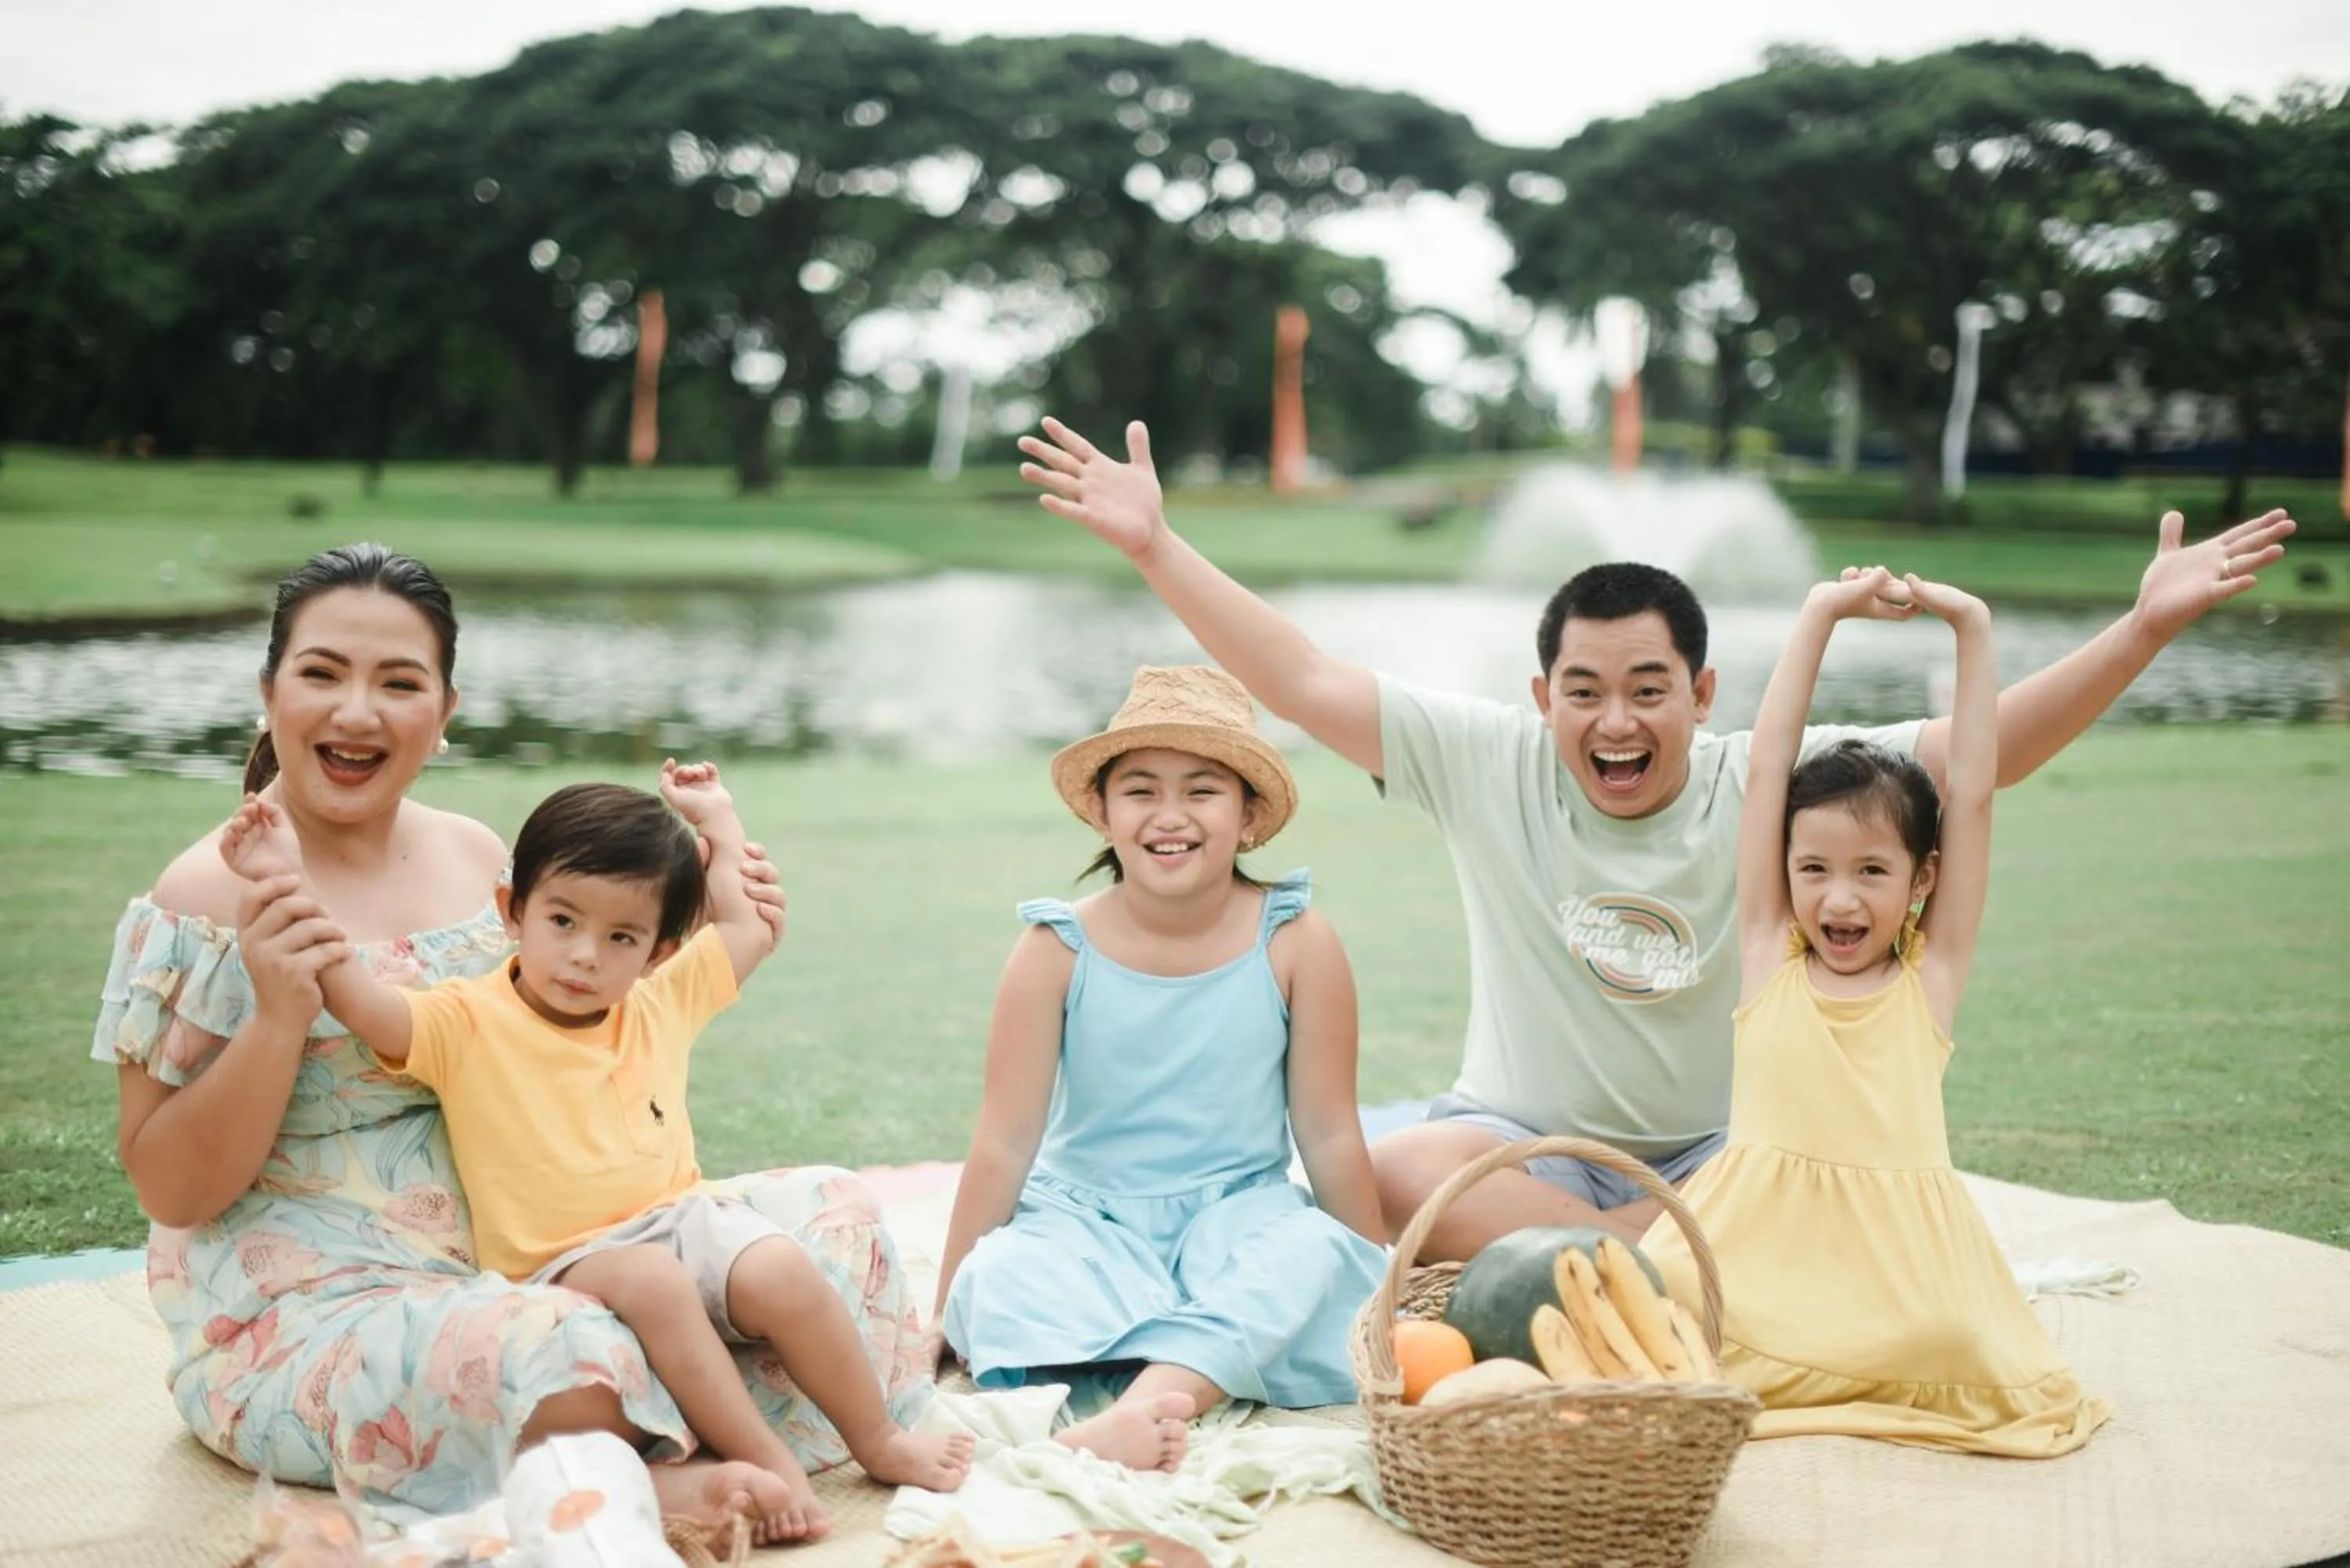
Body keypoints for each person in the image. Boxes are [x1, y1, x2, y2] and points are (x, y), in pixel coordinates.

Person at [1015, 416, 2296, 1261]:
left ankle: (1627, 1258)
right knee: (1396, 1167)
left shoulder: (1768, 774)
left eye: (1647, 688)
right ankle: (1641, 1259)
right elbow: (1298, 677)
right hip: (1512, 1139)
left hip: (1727, 1155)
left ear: (1702, 691)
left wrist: (2142, 630)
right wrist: (1156, 544)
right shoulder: (1487, 757)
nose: (1615, 718)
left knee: (1819, 1183)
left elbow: (1978, 756)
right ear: (1543, 699)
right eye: (1585, 689)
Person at [92, 544, 931, 1528]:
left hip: (553, 1245)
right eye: (321, 673)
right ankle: (647, 1479)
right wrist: (280, 1019)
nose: (356, 712)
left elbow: (564, 1021)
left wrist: (684, 925)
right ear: (269, 689)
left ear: (444, 714)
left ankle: (630, 1442)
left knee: (832, 1221)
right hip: (335, 1304)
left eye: (399, 683)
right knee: (557, 1348)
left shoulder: (477, 855)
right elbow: (169, 1188)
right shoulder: (205, 893)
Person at [215, 762, 974, 1542]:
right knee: (652, 1279)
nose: (585, 955)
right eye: (564, 922)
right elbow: (356, 995)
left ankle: (878, 1438)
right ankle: (767, 1457)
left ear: (657, 950)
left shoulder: (657, 1001)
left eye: (621, 937)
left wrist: (718, 818)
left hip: (679, 1213)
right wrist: (283, 873)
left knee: (781, 1265)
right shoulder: (463, 1020)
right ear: (513, 911)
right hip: (560, 1261)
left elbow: (746, 926)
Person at [1637, 567, 2110, 1453]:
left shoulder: (1930, 975)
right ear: (1785, 872)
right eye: (1814, 869)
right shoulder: (1769, 948)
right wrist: (1819, 613)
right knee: (1648, 1285)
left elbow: (1970, 790)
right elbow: (1769, 762)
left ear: (1921, 880)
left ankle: (1839, 1355)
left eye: (1872, 872)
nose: (1840, 900)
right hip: (1761, 1247)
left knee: (1945, 1341)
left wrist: (1972, 626)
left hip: (1895, 1268)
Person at [932, 666, 1389, 1470]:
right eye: (1140, 790)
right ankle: (1200, 1362)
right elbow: (1005, 1141)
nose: (1169, 816)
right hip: (1086, 1221)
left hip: (1237, 1216)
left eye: (1202, 791)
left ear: (1249, 817)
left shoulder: (1294, 939)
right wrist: (942, 1308)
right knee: (999, 1277)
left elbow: (1327, 1131)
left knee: (1314, 1256)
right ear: (1103, 813)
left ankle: (1144, 1399)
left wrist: (1373, 1285)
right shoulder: (1054, 947)